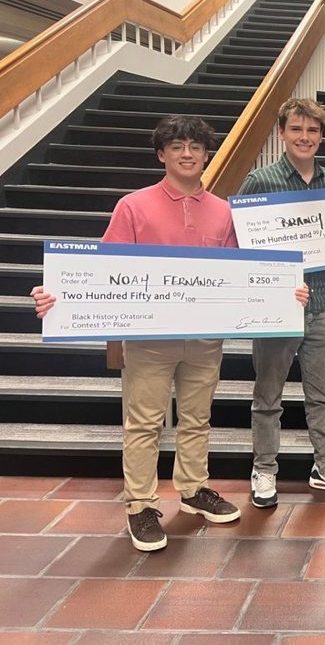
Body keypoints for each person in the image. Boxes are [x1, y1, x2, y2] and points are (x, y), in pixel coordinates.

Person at [31, 116, 257, 552]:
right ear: (162, 155)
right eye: (176, 147)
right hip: (148, 338)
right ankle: (141, 505)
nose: (187, 153)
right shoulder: (133, 206)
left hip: (205, 337)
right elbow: (100, 271)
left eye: (194, 146)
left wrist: (285, 294)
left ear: (207, 153)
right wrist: (56, 296)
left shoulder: (225, 212)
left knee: (197, 418)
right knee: (144, 423)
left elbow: (241, 274)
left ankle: (193, 489)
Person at [236, 97, 325, 508]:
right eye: (297, 129)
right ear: (282, 133)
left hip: (324, 304)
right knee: (268, 396)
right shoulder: (260, 183)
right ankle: (264, 470)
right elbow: (240, 246)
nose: (305, 137)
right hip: (276, 311)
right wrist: (273, 287)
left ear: (321, 136)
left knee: (323, 396)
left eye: (313, 131)